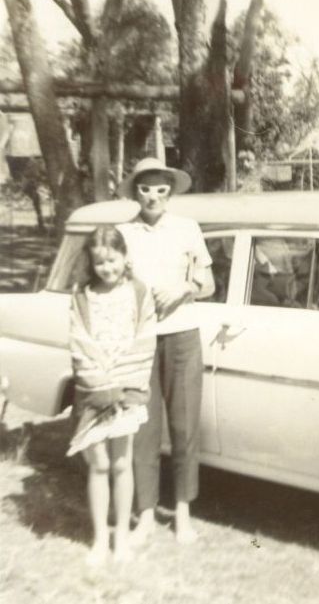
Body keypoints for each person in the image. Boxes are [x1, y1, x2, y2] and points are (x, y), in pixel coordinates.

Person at [116, 158, 214, 545]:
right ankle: (144, 515)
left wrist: (184, 289)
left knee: (184, 425)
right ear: (135, 191)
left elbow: (206, 284)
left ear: (170, 192)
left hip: (182, 335)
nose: (153, 196)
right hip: (139, 338)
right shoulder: (123, 233)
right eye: (145, 189)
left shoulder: (187, 228)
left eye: (160, 189)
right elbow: (109, 280)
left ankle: (183, 513)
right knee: (143, 427)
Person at [68, 226, 156, 565]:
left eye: (113, 260)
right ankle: (99, 539)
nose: (108, 268)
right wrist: (101, 382)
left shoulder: (138, 292)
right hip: (95, 392)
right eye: (100, 262)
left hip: (126, 391)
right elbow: (79, 342)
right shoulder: (81, 295)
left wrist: (122, 382)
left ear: (124, 257)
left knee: (122, 462)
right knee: (99, 464)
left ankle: (121, 536)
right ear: (92, 263)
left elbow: (145, 338)